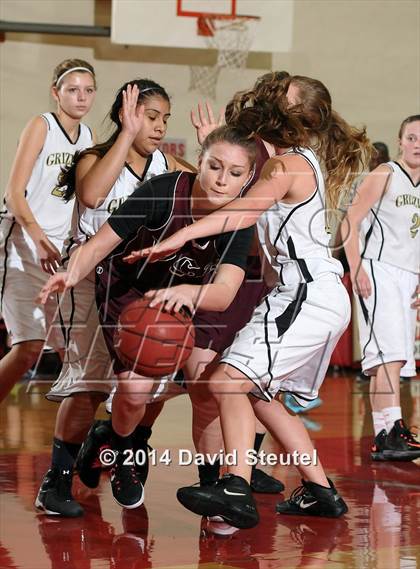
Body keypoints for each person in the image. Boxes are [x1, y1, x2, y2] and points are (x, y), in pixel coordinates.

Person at [131, 74, 372, 528]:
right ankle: (320, 490)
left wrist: (179, 235)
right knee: (260, 396)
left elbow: (240, 211)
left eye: (283, 95)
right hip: (305, 294)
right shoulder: (288, 164)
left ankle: (235, 488)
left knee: (224, 381)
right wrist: (210, 150)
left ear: (288, 117)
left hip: (305, 293)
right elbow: (240, 195)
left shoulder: (288, 167)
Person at [38, 125, 258, 511]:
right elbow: (101, 242)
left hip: (191, 296)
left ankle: (213, 489)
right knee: (135, 391)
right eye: (214, 166)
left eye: (235, 173)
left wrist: (186, 294)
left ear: (248, 179)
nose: (222, 180)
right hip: (132, 293)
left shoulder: (240, 220)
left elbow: (223, 294)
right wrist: (70, 273)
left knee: (206, 388)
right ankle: (123, 451)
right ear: (199, 162)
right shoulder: (163, 191)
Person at [35, 78, 194, 517]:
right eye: (150, 116)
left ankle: (125, 454)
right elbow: (92, 196)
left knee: (152, 382)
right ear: (126, 115)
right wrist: (125, 136)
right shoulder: (94, 158)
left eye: (165, 118)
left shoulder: (172, 166)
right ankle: (56, 480)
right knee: (87, 385)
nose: (159, 126)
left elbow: (207, 203)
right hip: (90, 278)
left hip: (146, 283)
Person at [0, 58, 96, 403]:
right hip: (23, 246)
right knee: (27, 349)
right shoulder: (42, 125)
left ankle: (75, 440)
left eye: (88, 91)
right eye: (72, 90)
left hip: (61, 253)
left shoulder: (88, 136)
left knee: (76, 349)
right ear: (56, 93)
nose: (81, 97)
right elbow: (14, 194)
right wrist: (39, 240)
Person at [343, 114, 420, 462]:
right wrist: (357, 267)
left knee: (395, 359)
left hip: (409, 276)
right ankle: (391, 430)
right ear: (400, 141)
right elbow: (349, 221)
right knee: (388, 356)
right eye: (411, 137)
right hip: (378, 269)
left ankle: (386, 432)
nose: (417, 144)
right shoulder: (385, 173)